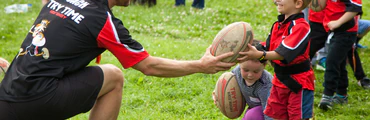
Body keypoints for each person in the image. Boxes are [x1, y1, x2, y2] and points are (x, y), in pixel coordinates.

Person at [0, 0, 236, 120]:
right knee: (113, 76)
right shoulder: (101, 19)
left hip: (6, 97)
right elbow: (148, 65)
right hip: (38, 99)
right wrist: (200, 66)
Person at [238, 0, 315, 119]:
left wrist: (260, 55)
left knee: (297, 117)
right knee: (276, 116)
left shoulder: (301, 27)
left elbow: (282, 53)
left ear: (298, 3)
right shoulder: (278, 25)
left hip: (298, 84)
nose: (276, 0)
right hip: (279, 81)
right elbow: (267, 46)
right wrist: (246, 49)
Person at [318, 0, 362, 110]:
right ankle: (342, 95)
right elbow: (318, 7)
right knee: (339, 63)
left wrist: (338, 22)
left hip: (346, 31)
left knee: (331, 62)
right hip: (333, 30)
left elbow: (356, 7)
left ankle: (327, 95)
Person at [212, 40, 273, 120]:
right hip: (253, 110)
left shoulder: (265, 85)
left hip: (270, 112)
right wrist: (217, 95)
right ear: (239, 62)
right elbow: (227, 82)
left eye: (256, 71)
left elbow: (270, 112)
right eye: (246, 70)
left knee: (252, 115)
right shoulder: (237, 72)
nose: (250, 75)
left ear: (264, 65)